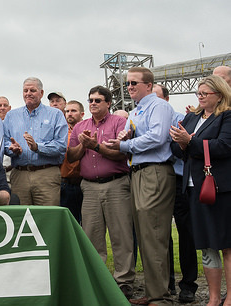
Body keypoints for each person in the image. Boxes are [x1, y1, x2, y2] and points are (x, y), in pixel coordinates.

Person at [104, 67, 175, 306]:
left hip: (154, 172)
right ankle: (154, 291)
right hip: (137, 173)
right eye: (128, 84)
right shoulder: (137, 111)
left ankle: (160, 297)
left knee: (154, 234)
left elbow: (157, 137)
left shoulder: (159, 107)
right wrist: (123, 140)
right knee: (145, 235)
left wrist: (123, 146)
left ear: (148, 84)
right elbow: (135, 138)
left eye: (134, 83)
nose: (129, 87)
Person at [67, 86, 135, 298]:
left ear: (108, 103)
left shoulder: (119, 123)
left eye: (98, 100)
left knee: (121, 235)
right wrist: (85, 145)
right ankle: (95, 279)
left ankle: (124, 281)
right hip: (89, 186)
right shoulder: (81, 126)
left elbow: (120, 155)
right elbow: (71, 156)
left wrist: (96, 146)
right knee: (91, 235)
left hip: (116, 183)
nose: (93, 103)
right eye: (90, 100)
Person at [170, 75, 231, 306]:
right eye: (199, 93)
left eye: (205, 94)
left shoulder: (227, 115)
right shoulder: (192, 116)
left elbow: (224, 146)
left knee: (226, 243)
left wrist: (190, 142)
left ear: (220, 94)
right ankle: (214, 298)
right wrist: (181, 142)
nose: (201, 97)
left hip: (220, 188)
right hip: (194, 187)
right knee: (206, 244)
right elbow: (177, 148)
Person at [153, 83, 198, 302]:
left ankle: (188, 284)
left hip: (179, 180)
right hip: (156, 180)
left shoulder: (184, 119)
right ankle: (166, 282)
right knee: (160, 234)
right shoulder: (143, 119)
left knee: (185, 233)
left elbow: (188, 149)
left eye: (157, 98)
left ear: (167, 100)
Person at [3, 77, 67, 205]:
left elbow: (61, 146)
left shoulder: (55, 115)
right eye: (25, 90)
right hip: (19, 174)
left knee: (48, 218)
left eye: (32, 90)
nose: (28, 93)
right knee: (21, 219)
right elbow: (4, 142)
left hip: (46, 174)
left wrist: (38, 147)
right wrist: (11, 149)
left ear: (41, 93)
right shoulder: (11, 116)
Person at [60, 100, 85, 222]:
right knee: (69, 222)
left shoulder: (88, 130)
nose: (69, 113)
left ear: (82, 114)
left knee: (87, 222)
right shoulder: (61, 132)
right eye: (67, 111)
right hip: (66, 183)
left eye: (73, 111)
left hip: (84, 182)